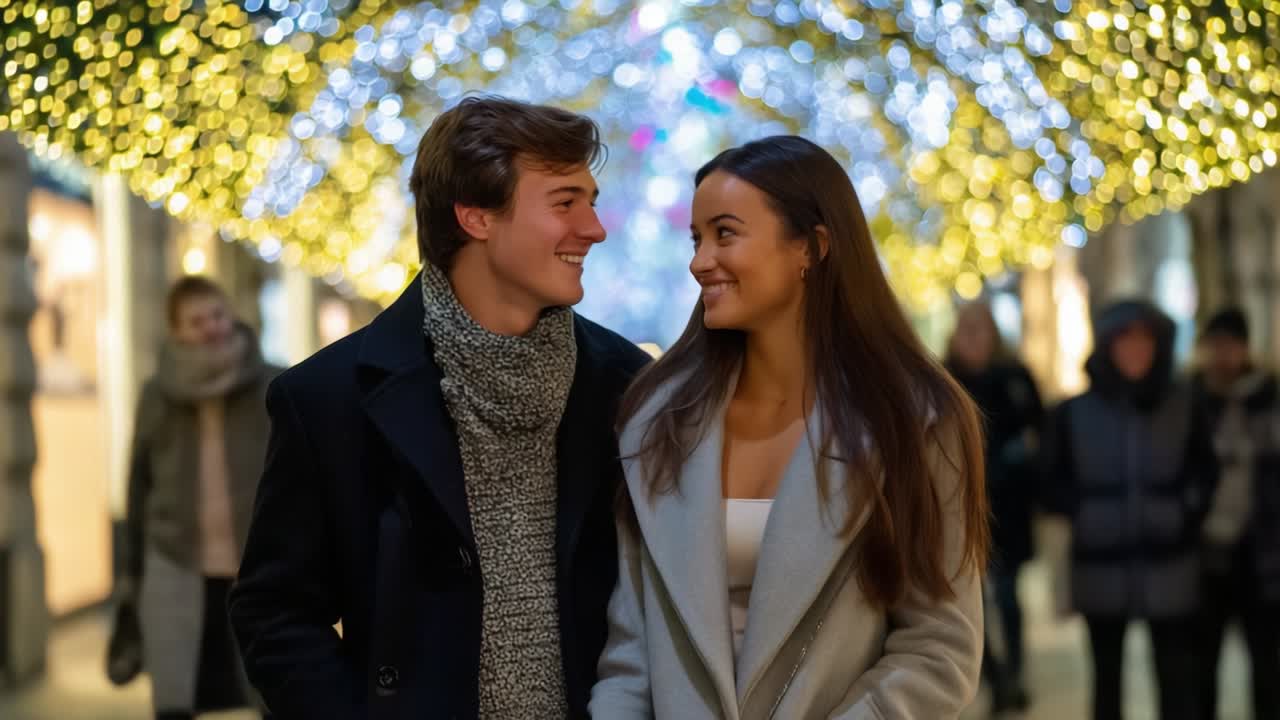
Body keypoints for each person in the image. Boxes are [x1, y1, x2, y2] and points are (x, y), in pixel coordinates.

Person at [228, 96, 651, 719]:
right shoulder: (327, 398)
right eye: (565, 203)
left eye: (590, 201)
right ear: (476, 217)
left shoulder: (628, 387)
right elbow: (275, 612)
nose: (595, 228)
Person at [589, 136, 988, 719]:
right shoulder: (656, 422)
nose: (700, 261)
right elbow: (630, 656)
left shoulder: (911, 421)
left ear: (812, 247)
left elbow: (938, 649)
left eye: (725, 234)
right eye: (696, 239)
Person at [1041, 300, 1217, 720]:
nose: (1135, 350)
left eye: (1144, 340)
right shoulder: (1073, 412)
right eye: (1125, 340)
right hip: (1100, 568)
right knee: (1106, 683)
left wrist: (1184, 511)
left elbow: (1206, 471)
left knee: (1177, 681)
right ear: (1107, 347)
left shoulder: (1186, 404)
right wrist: (1086, 514)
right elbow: (1049, 481)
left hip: (1171, 565)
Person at [120, 276, 280, 720]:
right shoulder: (156, 394)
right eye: (196, 321)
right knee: (174, 697)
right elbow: (138, 483)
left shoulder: (273, 383)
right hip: (175, 558)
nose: (211, 328)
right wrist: (130, 570)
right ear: (176, 331)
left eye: (217, 315)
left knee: (276, 694)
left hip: (259, 560)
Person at [945, 301, 1044, 714]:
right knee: (972, 604)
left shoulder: (1015, 378)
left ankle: (1014, 674)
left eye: (980, 329)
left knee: (1006, 595)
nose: (973, 338)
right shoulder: (944, 380)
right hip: (959, 510)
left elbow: (1038, 435)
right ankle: (995, 676)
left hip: (1009, 509)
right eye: (966, 329)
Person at [1191, 307, 1280, 720]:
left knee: (1267, 668)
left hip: (1261, 553)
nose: (1223, 354)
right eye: (1216, 345)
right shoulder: (1192, 399)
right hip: (1205, 552)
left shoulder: (1269, 397)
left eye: (1230, 345)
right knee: (1201, 669)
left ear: (1245, 348)